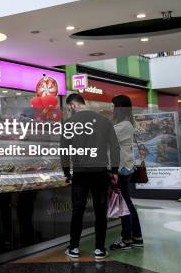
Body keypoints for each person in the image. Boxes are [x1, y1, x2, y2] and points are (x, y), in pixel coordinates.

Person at [61, 93, 120, 260]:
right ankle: (99, 249)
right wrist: (114, 171)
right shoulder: (104, 121)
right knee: (100, 211)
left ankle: (73, 247)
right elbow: (115, 148)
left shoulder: (69, 123)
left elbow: (64, 151)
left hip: (80, 173)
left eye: (68, 108)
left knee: (77, 210)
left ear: (73, 105)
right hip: (100, 173)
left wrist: (67, 173)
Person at [109, 95, 144, 250]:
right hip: (126, 167)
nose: (112, 109)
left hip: (122, 168)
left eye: (114, 106)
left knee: (124, 204)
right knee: (127, 203)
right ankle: (136, 237)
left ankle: (127, 239)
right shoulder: (128, 123)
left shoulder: (123, 125)